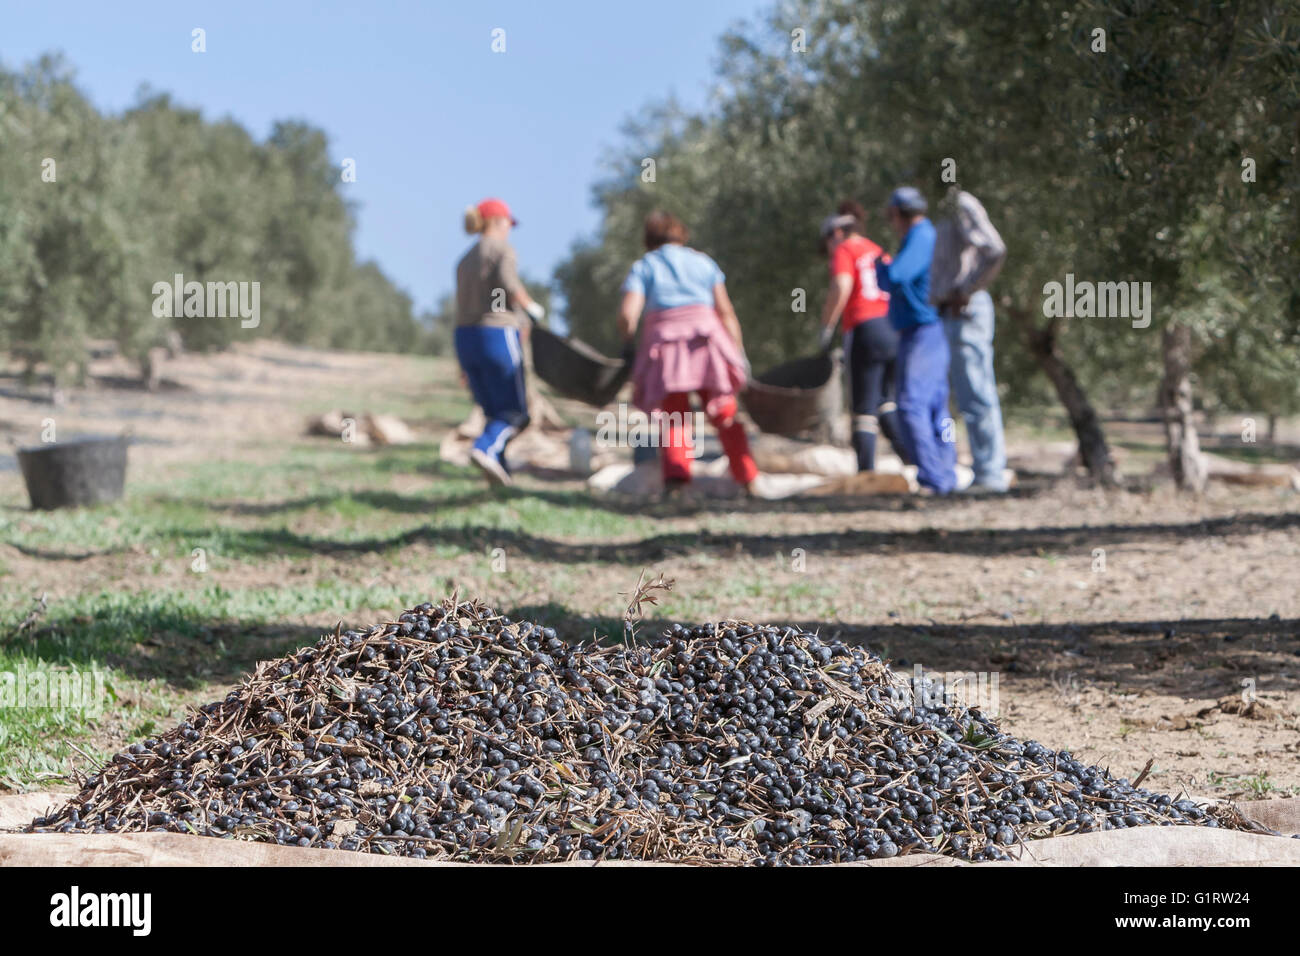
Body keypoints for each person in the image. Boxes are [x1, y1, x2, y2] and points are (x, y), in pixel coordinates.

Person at [618, 211, 758, 495]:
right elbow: (726, 312)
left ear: (649, 239)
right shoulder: (703, 262)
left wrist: (628, 344)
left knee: (674, 416)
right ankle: (747, 479)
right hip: (706, 340)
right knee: (723, 410)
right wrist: (738, 352)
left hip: (666, 347)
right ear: (680, 234)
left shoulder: (646, 265)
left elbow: (627, 314)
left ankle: (677, 485)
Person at [454, 197, 546, 486]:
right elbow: (509, 283)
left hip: (465, 338)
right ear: (497, 222)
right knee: (517, 412)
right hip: (496, 335)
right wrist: (530, 307)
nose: (509, 229)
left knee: (494, 411)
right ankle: (484, 450)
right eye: (508, 223)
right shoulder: (501, 250)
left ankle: (500, 472)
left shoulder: (464, 259)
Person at [875, 187, 956, 494]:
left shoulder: (921, 237)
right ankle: (945, 474)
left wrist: (879, 264)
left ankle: (934, 477)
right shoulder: (924, 236)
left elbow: (894, 277)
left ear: (897, 213)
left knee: (911, 405)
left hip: (923, 332)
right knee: (937, 406)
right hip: (931, 331)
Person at [817, 199, 907, 472]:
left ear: (836, 233)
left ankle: (865, 473)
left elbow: (841, 286)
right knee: (887, 401)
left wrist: (826, 327)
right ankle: (914, 460)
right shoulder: (879, 251)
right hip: (894, 328)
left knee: (863, 407)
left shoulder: (845, 248)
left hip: (865, 328)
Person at [930, 189, 1009, 493]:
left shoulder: (960, 205)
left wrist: (966, 290)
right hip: (952, 313)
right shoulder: (945, 209)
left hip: (964, 311)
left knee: (977, 393)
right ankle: (986, 471)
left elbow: (995, 249)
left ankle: (991, 475)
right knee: (968, 395)